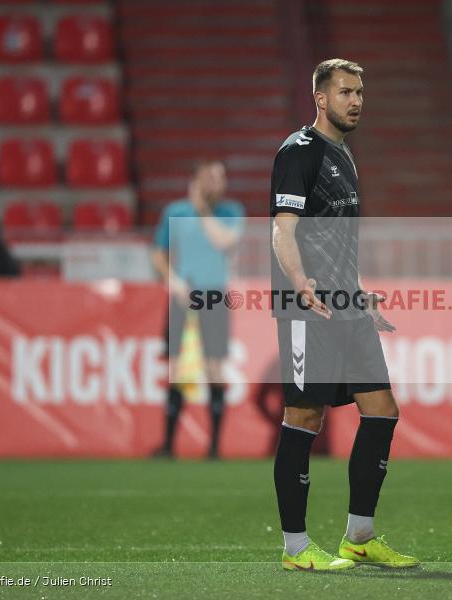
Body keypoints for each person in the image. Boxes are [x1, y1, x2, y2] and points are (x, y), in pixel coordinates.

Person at [269, 58, 418, 571]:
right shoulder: (299, 152)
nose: (355, 100)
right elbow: (283, 229)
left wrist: (359, 293)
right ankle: (295, 547)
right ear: (320, 98)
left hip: (345, 305)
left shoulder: (345, 155)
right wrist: (299, 283)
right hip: (306, 307)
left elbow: (335, 241)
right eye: (346, 92)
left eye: (360, 92)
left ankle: (359, 535)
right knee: (303, 418)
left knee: (383, 410)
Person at [151, 160, 244, 459]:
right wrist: (173, 282)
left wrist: (202, 210)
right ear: (196, 180)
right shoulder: (174, 212)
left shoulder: (231, 213)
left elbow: (225, 243)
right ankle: (168, 445)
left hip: (215, 296)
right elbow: (158, 255)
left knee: (215, 368)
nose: (218, 183)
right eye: (211, 177)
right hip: (183, 296)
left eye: (221, 177)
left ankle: (214, 446)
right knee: (177, 368)